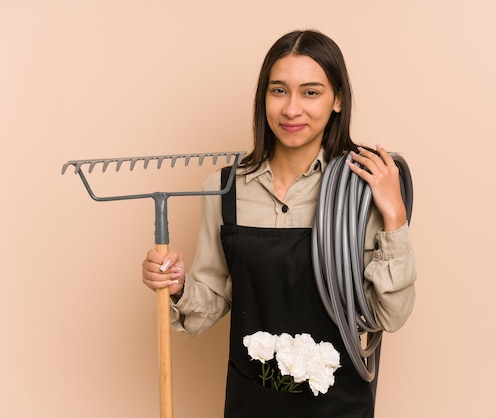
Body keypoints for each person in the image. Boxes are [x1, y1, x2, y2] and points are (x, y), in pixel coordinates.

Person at [142, 29, 416, 418]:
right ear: (263, 98)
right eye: (278, 91)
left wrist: (394, 217)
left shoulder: (363, 191)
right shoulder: (223, 190)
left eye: (310, 92)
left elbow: (389, 315)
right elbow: (211, 304)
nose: (291, 110)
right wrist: (177, 286)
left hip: (338, 406)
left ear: (337, 99)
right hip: (251, 400)